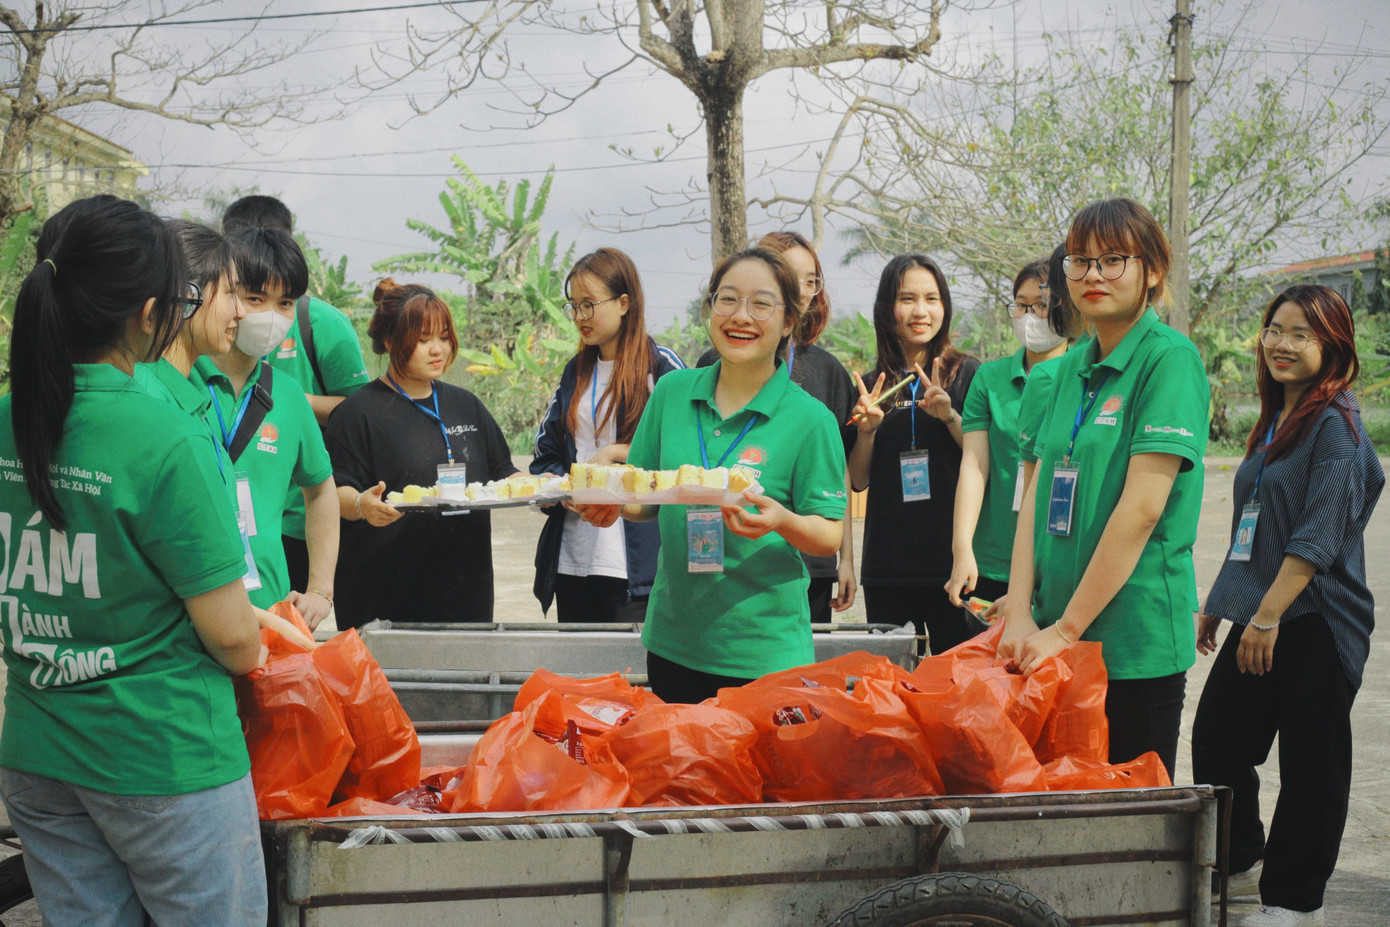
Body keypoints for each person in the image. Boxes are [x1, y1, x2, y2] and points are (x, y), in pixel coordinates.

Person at [0, 196, 267, 925]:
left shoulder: (8, 416)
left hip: (39, 748)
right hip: (163, 753)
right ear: (151, 312)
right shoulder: (158, 433)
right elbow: (236, 639)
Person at [577, 247, 847, 703]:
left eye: (761, 304)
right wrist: (614, 502)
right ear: (710, 308)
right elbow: (646, 492)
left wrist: (781, 520)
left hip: (765, 656)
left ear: (787, 323)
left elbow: (828, 534)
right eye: (727, 299)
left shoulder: (810, 420)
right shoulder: (672, 392)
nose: (741, 316)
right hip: (673, 644)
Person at [998, 198, 1208, 780]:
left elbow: (1142, 509)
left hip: (1130, 647)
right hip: (1049, 642)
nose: (1092, 275)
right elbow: (1034, 499)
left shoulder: (1169, 361)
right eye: (1079, 261)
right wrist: (1019, 610)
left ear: (1154, 271)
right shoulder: (1061, 372)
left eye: (1113, 260)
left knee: (1127, 825)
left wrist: (1066, 629)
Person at [1192, 285, 1382, 927]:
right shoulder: (1277, 418)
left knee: (1311, 762)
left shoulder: (1337, 422)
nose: (1282, 343)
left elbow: (1319, 534)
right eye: (1276, 329)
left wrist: (1266, 616)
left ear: (1332, 344)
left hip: (1319, 620)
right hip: (1265, 611)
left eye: (1302, 333)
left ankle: (1296, 903)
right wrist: (1222, 604)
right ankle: (1244, 862)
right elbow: (1255, 522)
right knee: (1218, 739)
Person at [326, 279, 518, 628]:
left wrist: (545, 485)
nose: (438, 350)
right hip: (384, 599)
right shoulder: (357, 414)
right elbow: (334, 492)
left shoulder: (466, 406)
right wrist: (361, 505)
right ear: (389, 341)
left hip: (465, 594)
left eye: (444, 337)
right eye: (424, 339)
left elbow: (504, 472)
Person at [697, 231, 859, 622]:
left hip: (807, 562)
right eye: (790, 274)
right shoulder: (701, 372)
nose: (802, 288)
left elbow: (837, 477)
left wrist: (847, 558)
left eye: (811, 279)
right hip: (714, 556)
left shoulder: (828, 370)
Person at [223, 195, 371, 592]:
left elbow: (322, 490)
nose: (269, 315)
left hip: (277, 566)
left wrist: (321, 592)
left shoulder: (289, 388)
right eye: (254, 298)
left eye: (284, 302)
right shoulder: (180, 379)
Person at [530, 248, 685, 622]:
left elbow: (687, 452)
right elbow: (545, 454)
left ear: (624, 303)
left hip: (635, 565)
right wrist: (560, 488)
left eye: (589, 305)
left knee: (632, 677)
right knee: (580, 678)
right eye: (574, 307)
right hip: (575, 559)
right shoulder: (575, 372)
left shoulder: (662, 367)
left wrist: (617, 453)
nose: (580, 317)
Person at [848, 254, 979, 654]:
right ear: (887, 308)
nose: (920, 311)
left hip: (952, 566)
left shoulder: (968, 375)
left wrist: (949, 415)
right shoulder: (873, 386)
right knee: (890, 692)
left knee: (956, 689)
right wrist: (867, 432)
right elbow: (858, 479)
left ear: (945, 307)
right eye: (907, 299)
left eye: (932, 298)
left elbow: (981, 458)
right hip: (887, 567)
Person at [947, 258, 1068, 609]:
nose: (1029, 315)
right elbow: (975, 465)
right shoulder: (990, 378)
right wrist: (962, 549)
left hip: (1054, 562)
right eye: (1020, 304)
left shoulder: (1082, 376)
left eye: (1042, 305)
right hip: (990, 560)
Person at [136, 219, 245, 491]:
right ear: (187, 295)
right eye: (231, 293)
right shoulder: (150, 401)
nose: (240, 311)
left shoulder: (178, 390)